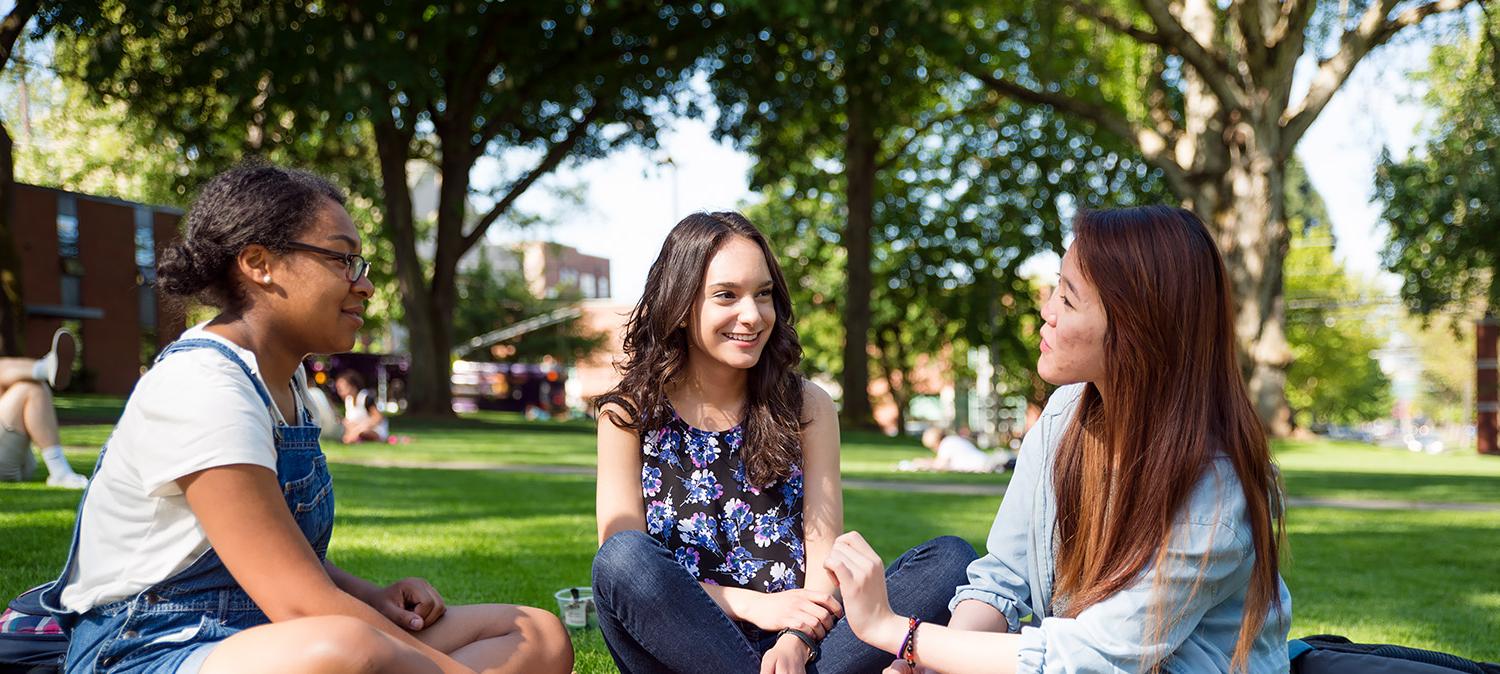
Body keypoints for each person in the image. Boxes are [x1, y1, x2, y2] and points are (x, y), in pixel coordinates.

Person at [40, 163, 572, 674]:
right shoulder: (203, 386)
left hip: (271, 638)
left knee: (535, 633)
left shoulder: (284, 380)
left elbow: (278, 558)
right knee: (345, 651)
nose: (363, 285)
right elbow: (299, 603)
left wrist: (372, 596)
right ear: (259, 263)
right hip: (148, 650)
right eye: (342, 260)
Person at [824, 206, 1292, 673]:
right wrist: (927, 662)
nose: (1046, 311)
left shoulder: (1215, 492)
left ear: (1136, 330)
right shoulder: (1064, 413)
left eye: (1068, 300)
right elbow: (1002, 578)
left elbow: (1094, 657)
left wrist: (897, 633)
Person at [590, 212, 977, 674]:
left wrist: (795, 639)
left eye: (764, 294)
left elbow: (822, 560)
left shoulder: (808, 406)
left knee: (950, 558)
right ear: (680, 303)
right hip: (684, 645)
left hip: (803, 647)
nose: (752, 316)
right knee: (622, 558)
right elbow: (626, 567)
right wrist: (752, 606)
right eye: (726, 296)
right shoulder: (627, 415)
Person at [0, 329, 90, 488]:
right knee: (32, 389)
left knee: (21, 381)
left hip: (15, 458)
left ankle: (46, 368)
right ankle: (45, 367)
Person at [900, 427, 991, 473]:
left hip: (981, 466)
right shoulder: (952, 440)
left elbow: (940, 466)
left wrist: (921, 464)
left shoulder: (947, 444)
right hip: (984, 461)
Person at [334, 370, 389, 443]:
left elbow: (378, 418)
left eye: (342, 388)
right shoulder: (348, 401)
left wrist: (359, 429)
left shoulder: (366, 398)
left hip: (373, 430)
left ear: (353, 386)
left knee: (362, 433)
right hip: (355, 429)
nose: (340, 392)